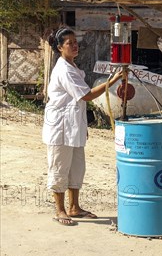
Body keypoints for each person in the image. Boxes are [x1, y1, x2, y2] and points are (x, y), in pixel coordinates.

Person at [43, 27, 124, 226]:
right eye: (69, 43)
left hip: (74, 125)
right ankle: (60, 210)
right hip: (60, 127)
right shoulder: (63, 70)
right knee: (59, 167)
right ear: (60, 48)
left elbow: (78, 102)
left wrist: (83, 125)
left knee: (77, 168)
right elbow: (86, 95)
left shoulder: (74, 68)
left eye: (75, 42)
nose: (74, 45)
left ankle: (74, 207)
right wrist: (112, 81)